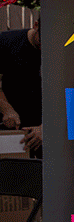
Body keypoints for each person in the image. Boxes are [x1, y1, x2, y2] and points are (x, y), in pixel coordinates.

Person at [0, 20, 42, 157]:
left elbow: (67, 93)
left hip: (44, 134)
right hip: (11, 129)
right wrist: (6, 109)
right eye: (42, 41)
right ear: (36, 26)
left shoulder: (61, 51)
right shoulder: (6, 42)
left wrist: (46, 127)